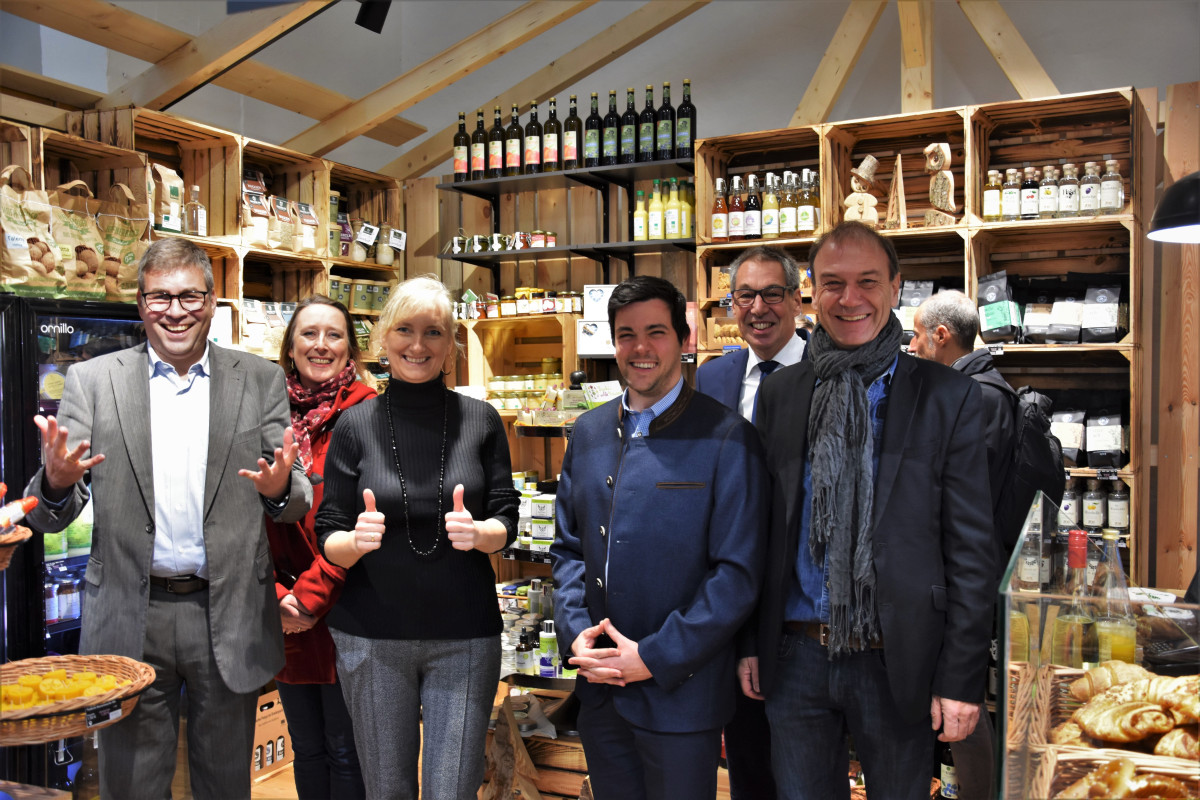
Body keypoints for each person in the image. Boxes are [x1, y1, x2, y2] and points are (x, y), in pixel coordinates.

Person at [24, 238, 311, 800]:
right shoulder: (94, 381)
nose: (175, 311)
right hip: (132, 613)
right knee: (130, 784)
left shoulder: (258, 379)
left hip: (227, 612)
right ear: (140, 302)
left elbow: (296, 496)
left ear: (209, 301)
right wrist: (57, 482)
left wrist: (279, 490)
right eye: (160, 297)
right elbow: (53, 516)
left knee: (226, 784)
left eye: (189, 297)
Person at [747, 221, 995, 800]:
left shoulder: (948, 396)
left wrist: (960, 680)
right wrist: (749, 647)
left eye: (867, 281)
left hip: (897, 658)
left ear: (895, 287)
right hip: (795, 654)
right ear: (812, 289)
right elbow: (759, 533)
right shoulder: (782, 394)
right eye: (833, 282)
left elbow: (972, 551)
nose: (850, 298)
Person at [552, 275, 768, 800]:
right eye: (626, 335)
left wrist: (654, 656)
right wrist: (577, 634)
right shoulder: (589, 431)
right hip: (600, 690)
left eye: (656, 332)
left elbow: (736, 574)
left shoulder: (727, 436)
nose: (640, 348)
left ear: (684, 339)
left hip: (681, 696)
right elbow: (568, 549)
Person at [315, 275, 519, 800]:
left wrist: (479, 534)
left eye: (434, 332)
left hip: (466, 637)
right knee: (387, 790)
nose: (417, 344)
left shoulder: (481, 419)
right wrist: (355, 541)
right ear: (383, 337)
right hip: (372, 636)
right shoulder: (355, 425)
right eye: (404, 329)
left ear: (452, 343)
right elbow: (329, 534)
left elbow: (506, 520)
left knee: (454, 788)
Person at [694, 244, 808, 800]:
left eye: (772, 294)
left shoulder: (826, 370)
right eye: (745, 295)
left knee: (807, 763)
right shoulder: (715, 378)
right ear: (730, 305)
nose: (758, 307)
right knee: (747, 759)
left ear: (796, 300)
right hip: (729, 590)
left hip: (802, 601)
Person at [909, 289, 1018, 800]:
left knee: (960, 696)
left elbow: (966, 501)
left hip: (962, 575)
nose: (911, 344)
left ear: (941, 335)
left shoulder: (975, 396)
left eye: (915, 333)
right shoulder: (984, 388)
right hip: (959, 570)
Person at [267, 295, 374, 800]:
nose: (320, 345)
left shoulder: (371, 413)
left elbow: (372, 523)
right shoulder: (264, 413)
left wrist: (310, 598)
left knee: (346, 748)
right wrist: (277, 598)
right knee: (305, 748)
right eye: (308, 333)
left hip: (348, 605)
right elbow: (237, 516)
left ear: (350, 347)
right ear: (290, 346)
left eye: (333, 334)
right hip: (285, 609)